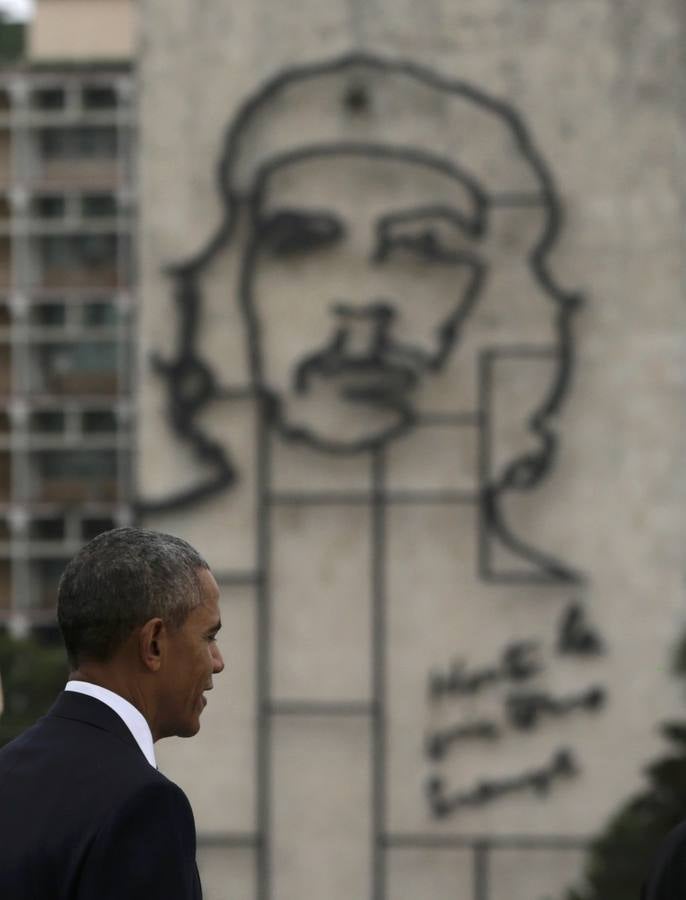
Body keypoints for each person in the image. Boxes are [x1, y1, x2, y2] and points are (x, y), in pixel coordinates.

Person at [0, 526, 224, 900]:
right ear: (153, 643)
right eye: (209, 636)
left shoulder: (7, 771)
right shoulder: (144, 804)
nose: (217, 662)